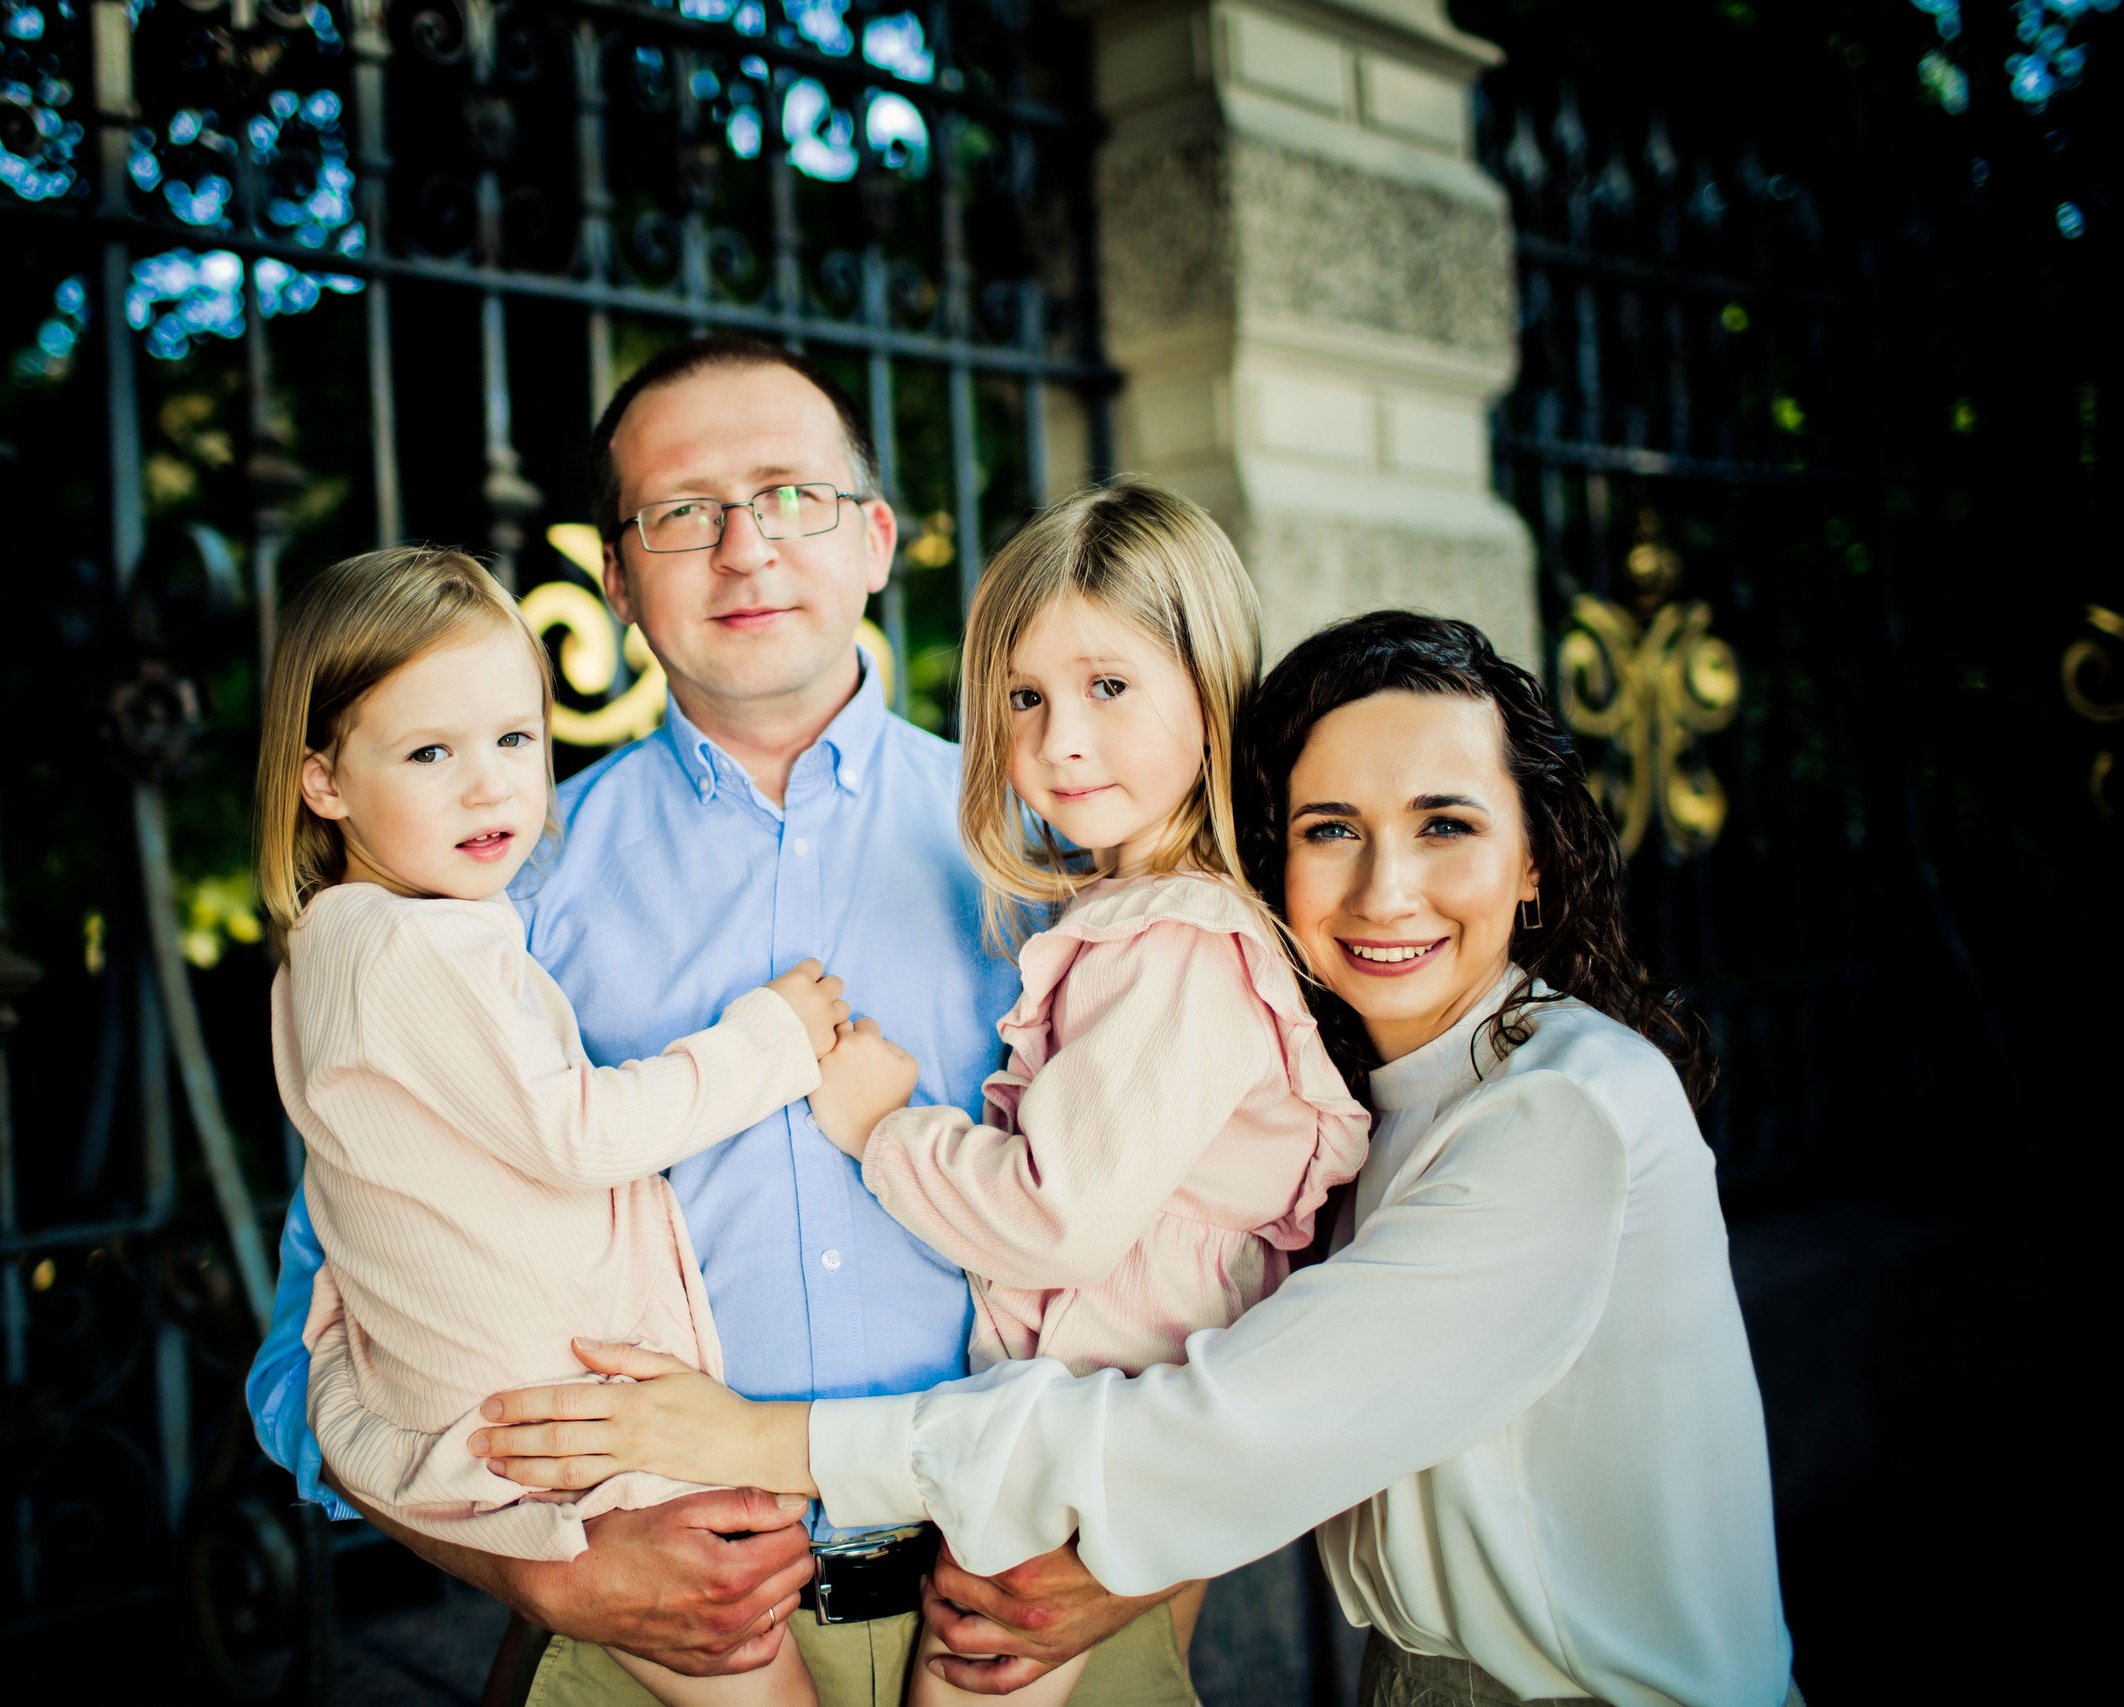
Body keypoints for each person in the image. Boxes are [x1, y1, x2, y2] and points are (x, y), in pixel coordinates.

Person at [474, 612, 1799, 1707]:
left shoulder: (1556, 1113)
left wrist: (764, 1436)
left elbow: (1225, 1423)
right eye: (1331, 826)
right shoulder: (1374, 1090)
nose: (1387, 885)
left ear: (1534, 859)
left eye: (1447, 823)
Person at [247, 336, 1196, 1705]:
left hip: (1039, 1607)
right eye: (683, 510)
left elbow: (1235, 1245)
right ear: (619, 578)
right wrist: (544, 1574)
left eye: (791, 495)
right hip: (651, 1639)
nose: (744, 548)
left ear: (876, 539)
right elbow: (315, 1341)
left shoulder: (1063, 855)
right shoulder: (489, 890)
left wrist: (1154, 1562)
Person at [793, 481, 1369, 1703]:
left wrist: (881, 1130)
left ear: (1209, 695)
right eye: (1025, 697)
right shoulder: (1131, 919)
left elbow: (1060, 1218)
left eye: (1109, 687)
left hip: (1089, 1443)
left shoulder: (1177, 944)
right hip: (1087, 1435)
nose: (1060, 738)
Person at [255, 546, 861, 1706]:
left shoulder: (341, 948)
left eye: (514, 742)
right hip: (581, 1446)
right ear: (323, 782)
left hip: (552, 1431)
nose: (488, 789)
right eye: (430, 753)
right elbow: (577, 1133)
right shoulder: (413, 944)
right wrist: (771, 1042)